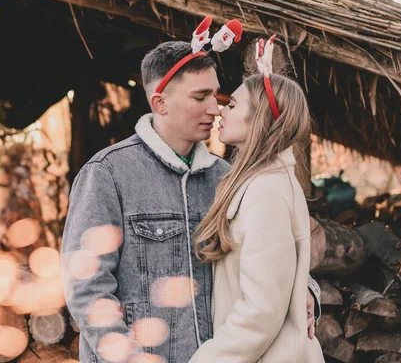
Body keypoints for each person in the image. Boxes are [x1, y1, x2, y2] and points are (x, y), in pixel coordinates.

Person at [61, 39, 320, 363]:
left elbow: (270, 254)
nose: (215, 107)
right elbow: (87, 288)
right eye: (200, 97)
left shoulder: (229, 179)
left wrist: (306, 290)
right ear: (160, 103)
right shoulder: (109, 174)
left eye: (215, 94)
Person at [189, 37, 325, 362]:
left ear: (260, 118)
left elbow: (261, 311)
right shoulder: (264, 181)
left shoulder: (265, 192)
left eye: (232, 105)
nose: (221, 109)